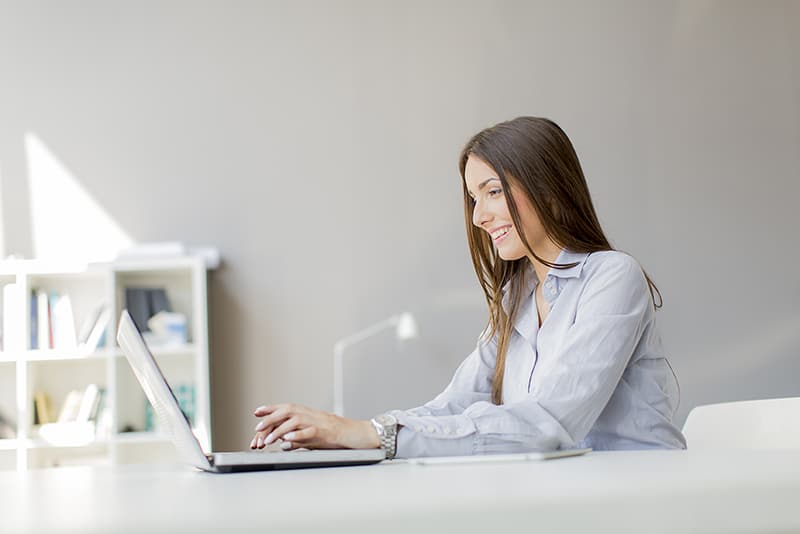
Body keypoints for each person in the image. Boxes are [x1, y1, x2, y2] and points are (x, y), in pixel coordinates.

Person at [250, 117, 687, 458]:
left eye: (492, 191)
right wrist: (351, 432)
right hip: (566, 500)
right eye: (474, 198)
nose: (479, 217)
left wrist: (373, 436)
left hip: (641, 503)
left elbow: (548, 424)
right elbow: (454, 406)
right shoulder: (515, 299)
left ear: (549, 190)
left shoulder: (612, 277)